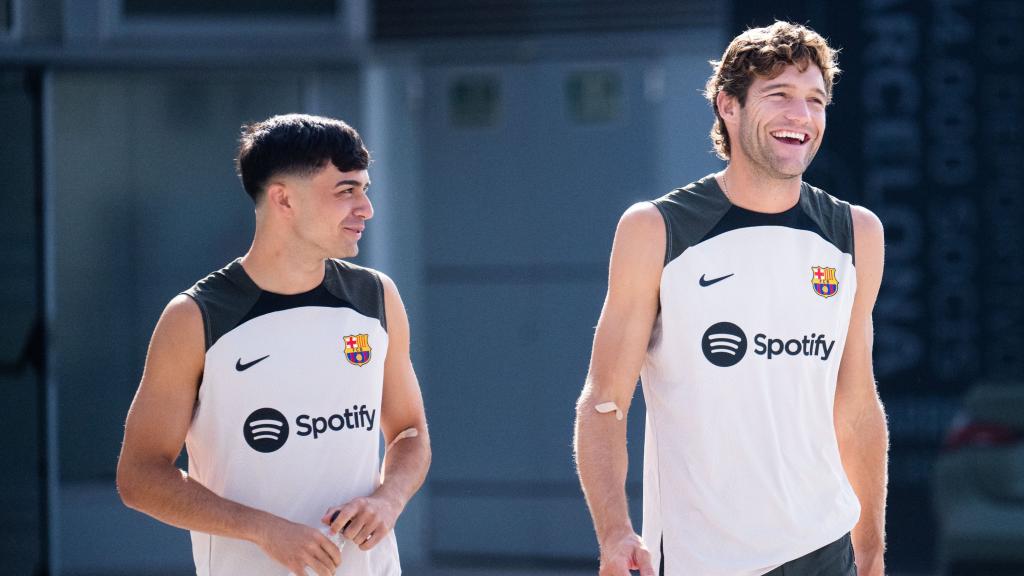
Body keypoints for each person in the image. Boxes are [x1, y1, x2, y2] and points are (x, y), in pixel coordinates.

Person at [574, 22, 887, 576]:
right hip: (701, 556)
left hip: (823, 547)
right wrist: (616, 532)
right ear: (729, 105)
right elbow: (604, 401)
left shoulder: (855, 233)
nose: (802, 116)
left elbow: (858, 406)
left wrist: (871, 552)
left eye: (815, 100)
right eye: (779, 96)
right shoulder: (656, 229)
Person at [116, 114, 431, 576]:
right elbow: (139, 477)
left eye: (365, 189)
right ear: (283, 199)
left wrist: (389, 499)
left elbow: (410, 433)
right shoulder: (195, 317)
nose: (366, 208)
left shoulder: (376, 297)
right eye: (346, 191)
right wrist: (264, 530)